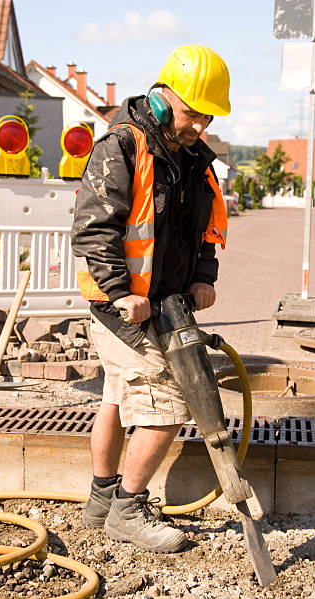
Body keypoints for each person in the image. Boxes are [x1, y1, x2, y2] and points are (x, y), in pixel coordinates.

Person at [71, 43, 230, 553]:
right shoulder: (120, 146)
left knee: (117, 399)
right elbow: (95, 229)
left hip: (164, 304)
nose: (200, 126)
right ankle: (128, 508)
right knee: (168, 399)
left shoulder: (194, 159)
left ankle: (102, 499)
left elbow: (207, 227)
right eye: (192, 114)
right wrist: (120, 292)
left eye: (207, 117)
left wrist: (204, 274)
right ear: (163, 99)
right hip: (121, 307)